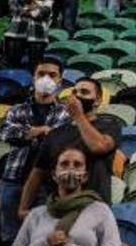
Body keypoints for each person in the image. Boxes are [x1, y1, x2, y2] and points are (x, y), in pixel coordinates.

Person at [17, 79, 118, 218]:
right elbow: (37, 174)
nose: (77, 96)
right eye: (75, 92)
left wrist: (78, 116)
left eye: (85, 92)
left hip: (94, 210)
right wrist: (23, 208)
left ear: (97, 100)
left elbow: (99, 147)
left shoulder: (110, 126)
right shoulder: (55, 133)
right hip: (57, 209)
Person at [0, 59, 70, 244]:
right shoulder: (16, 109)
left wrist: (27, 134)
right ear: (33, 78)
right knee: (10, 237)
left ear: (60, 81)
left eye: (52, 75)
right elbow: (7, 132)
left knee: (41, 238)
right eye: (41, 74)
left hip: (47, 184)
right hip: (13, 179)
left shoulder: (66, 113)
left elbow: (59, 140)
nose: (46, 78)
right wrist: (40, 131)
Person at [3, 0, 53, 70]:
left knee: (35, 67)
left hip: (38, 35)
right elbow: (14, 9)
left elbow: (45, 12)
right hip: (16, 33)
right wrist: (35, 9)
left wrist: (26, 10)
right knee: (12, 65)